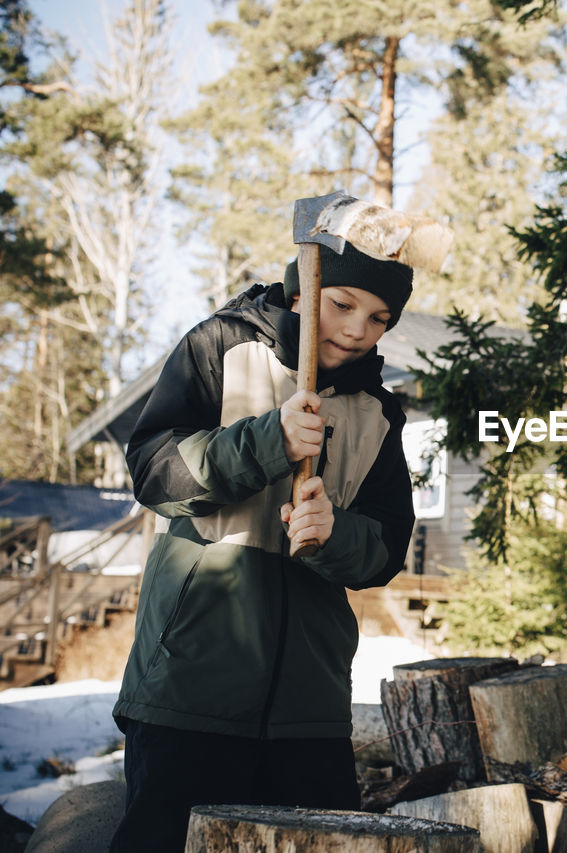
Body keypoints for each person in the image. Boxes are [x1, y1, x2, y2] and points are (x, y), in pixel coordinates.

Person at [109, 244, 416, 852]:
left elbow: (387, 548)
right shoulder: (220, 347)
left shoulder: (379, 411)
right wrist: (264, 441)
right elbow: (154, 473)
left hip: (311, 711)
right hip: (187, 693)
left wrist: (336, 534)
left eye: (379, 318)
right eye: (343, 304)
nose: (358, 330)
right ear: (302, 292)